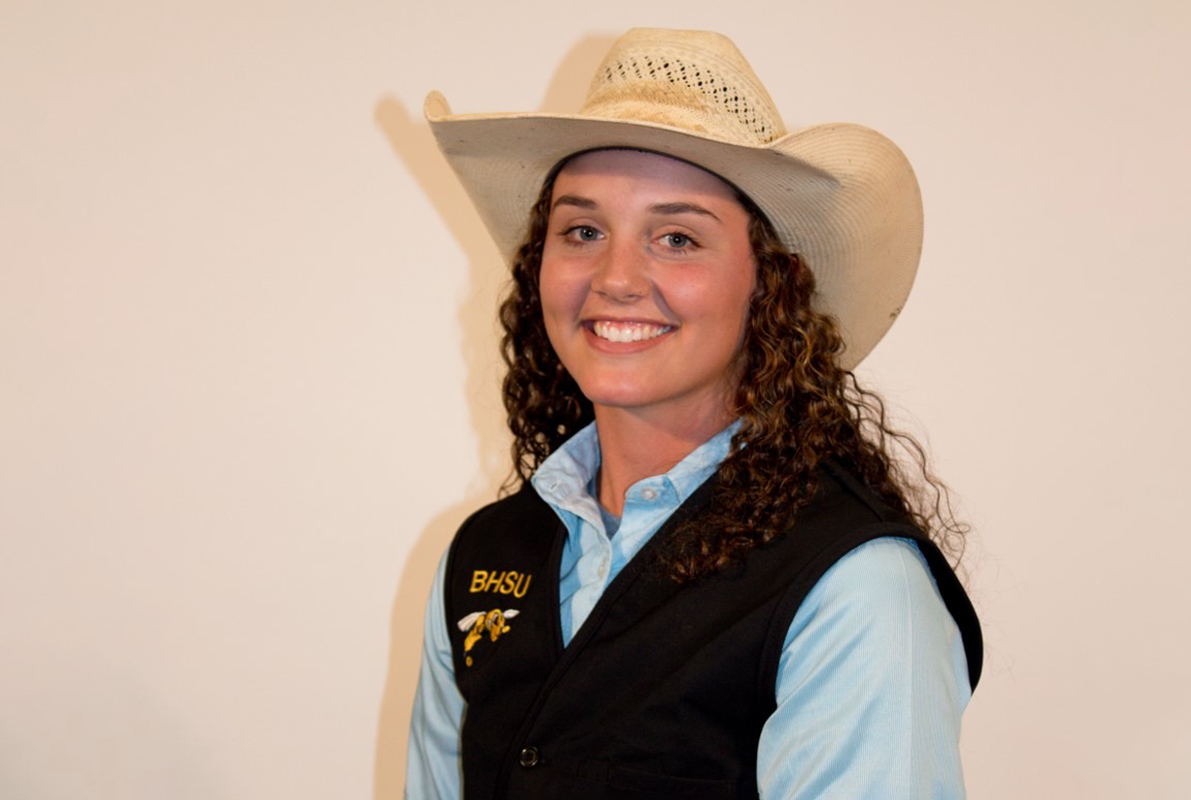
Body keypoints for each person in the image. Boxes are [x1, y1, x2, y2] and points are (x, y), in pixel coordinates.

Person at [406, 28, 983, 800]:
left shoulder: (854, 591)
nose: (616, 277)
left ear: (773, 284)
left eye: (677, 238)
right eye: (582, 231)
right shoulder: (480, 559)